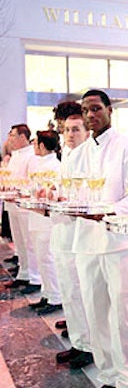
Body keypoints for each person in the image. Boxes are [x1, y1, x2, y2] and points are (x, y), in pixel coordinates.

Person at [71, 89, 128, 388]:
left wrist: (106, 212)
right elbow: (70, 194)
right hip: (86, 243)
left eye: (96, 109)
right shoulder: (77, 154)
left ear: (109, 110)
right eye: (86, 110)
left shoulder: (127, 147)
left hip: (118, 243)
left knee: (123, 314)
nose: (91, 115)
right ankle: (107, 374)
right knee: (95, 313)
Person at [50, 112, 94, 369]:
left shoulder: (89, 155)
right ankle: (78, 338)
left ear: (86, 132)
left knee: (79, 290)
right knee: (68, 288)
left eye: (76, 129)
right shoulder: (66, 154)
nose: (70, 134)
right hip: (62, 229)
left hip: (78, 231)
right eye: (66, 130)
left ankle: (86, 345)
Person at [3, 124, 41, 294]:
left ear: (23, 137)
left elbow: (33, 182)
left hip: (25, 206)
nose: (9, 139)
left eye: (12, 135)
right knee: (19, 242)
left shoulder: (31, 156)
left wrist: (19, 192)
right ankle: (23, 272)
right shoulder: (15, 156)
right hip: (13, 203)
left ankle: (34, 276)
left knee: (29, 243)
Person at [27, 130, 62, 315]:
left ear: (42, 145)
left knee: (48, 258)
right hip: (35, 215)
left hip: (46, 219)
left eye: (35, 143)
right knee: (41, 257)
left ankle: (56, 296)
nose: (34, 146)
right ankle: (47, 293)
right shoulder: (38, 163)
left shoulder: (55, 166)